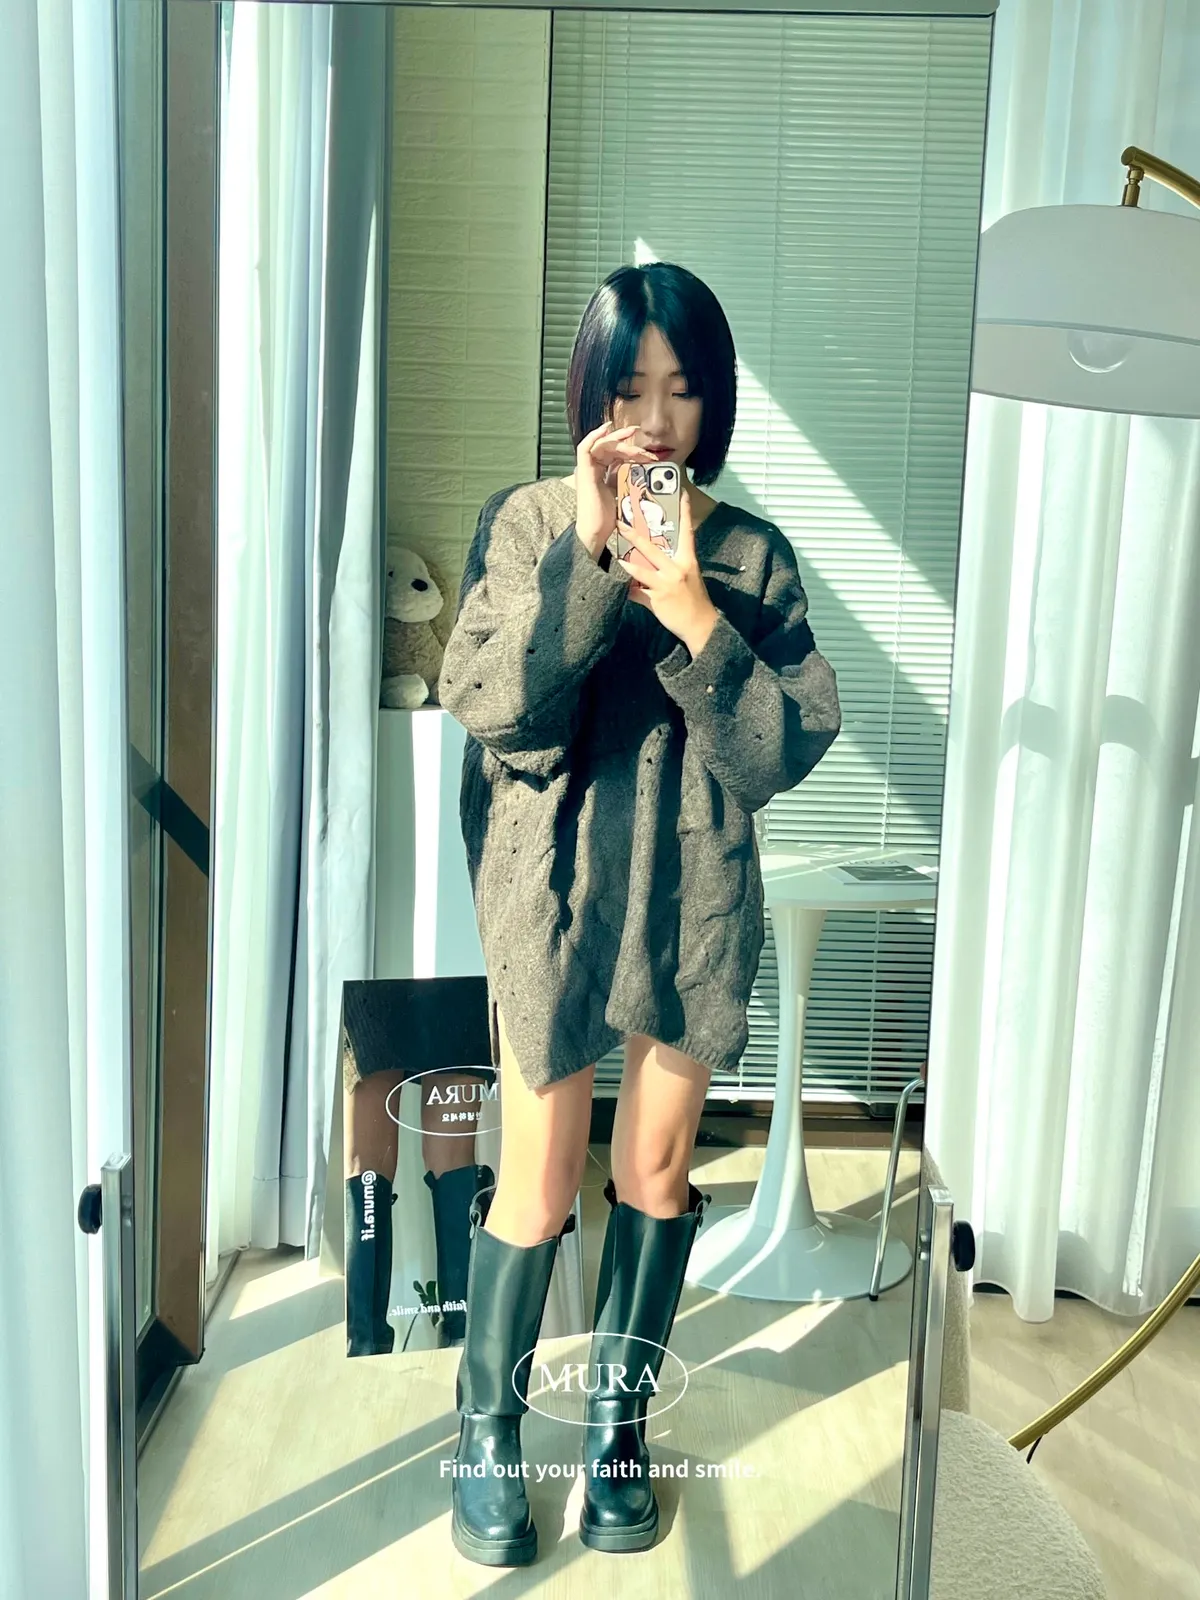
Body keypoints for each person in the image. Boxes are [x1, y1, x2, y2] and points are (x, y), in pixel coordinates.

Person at [438, 262, 841, 1566]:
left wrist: (692, 614)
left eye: (682, 389)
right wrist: (591, 557)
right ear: (591, 396)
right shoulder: (524, 523)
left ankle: (618, 1432)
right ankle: (488, 1433)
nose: (656, 421)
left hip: (692, 895)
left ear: (714, 400)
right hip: (550, 891)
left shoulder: (751, 557)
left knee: (654, 1170)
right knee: (542, 1173)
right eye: (630, 388)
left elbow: (776, 754)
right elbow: (493, 705)